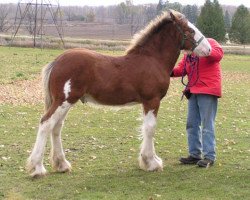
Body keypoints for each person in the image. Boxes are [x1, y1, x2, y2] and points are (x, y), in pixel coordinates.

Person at [171, 38, 224, 167]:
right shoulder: (189, 52)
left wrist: (200, 48)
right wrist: (165, 70)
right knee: (191, 124)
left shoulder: (209, 42)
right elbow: (181, 69)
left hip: (208, 89)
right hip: (193, 90)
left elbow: (217, 55)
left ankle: (209, 156)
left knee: (207, 125)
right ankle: (194, 154)